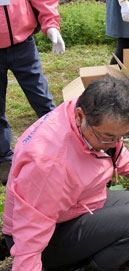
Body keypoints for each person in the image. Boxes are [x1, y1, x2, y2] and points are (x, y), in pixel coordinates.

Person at [2, 76, 129, 270]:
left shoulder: (87, 110)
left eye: (121, 136)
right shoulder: (48, 166)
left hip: (67, 210)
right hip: (43, 239)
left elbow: (114, 147)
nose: (115, 142)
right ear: (81, 116)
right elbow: (30, 235)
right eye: (108, 136)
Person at [0, 0, 66, 184]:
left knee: (42, 99)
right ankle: (4, 158)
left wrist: (51, 25)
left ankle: (61, 146)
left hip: (23, 44)